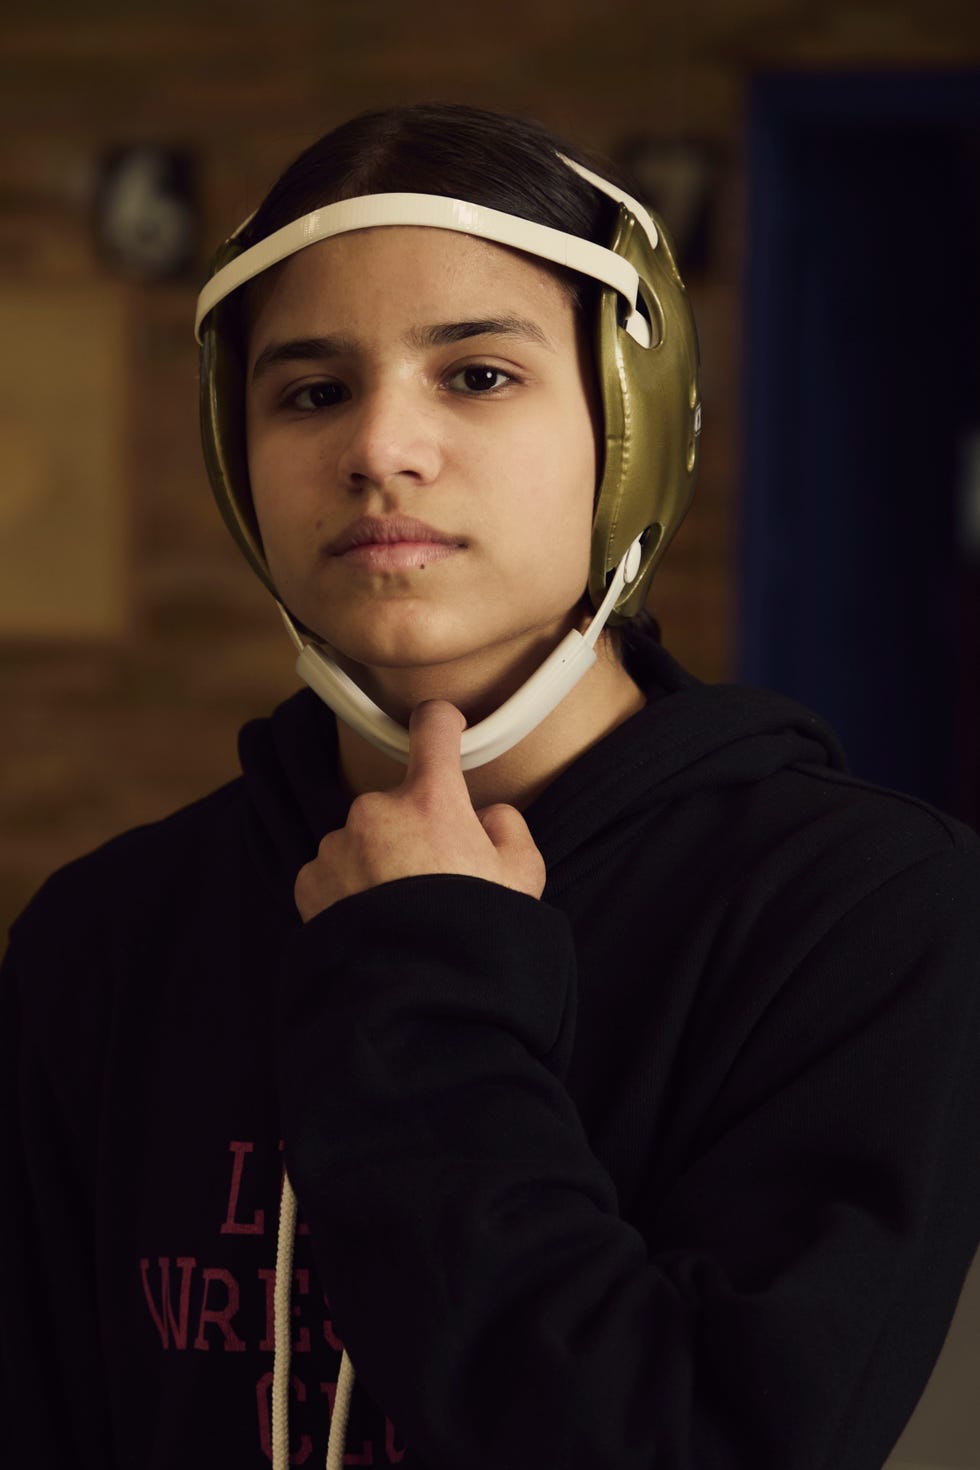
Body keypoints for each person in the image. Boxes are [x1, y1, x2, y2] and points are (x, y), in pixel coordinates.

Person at [2, 102, 978, 1470]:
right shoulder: (103, 941)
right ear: (240, 470)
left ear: (630, 433)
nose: (381, 447)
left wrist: (424, 980)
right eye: (311, 389)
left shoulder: (864, 914)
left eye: (476, 375)